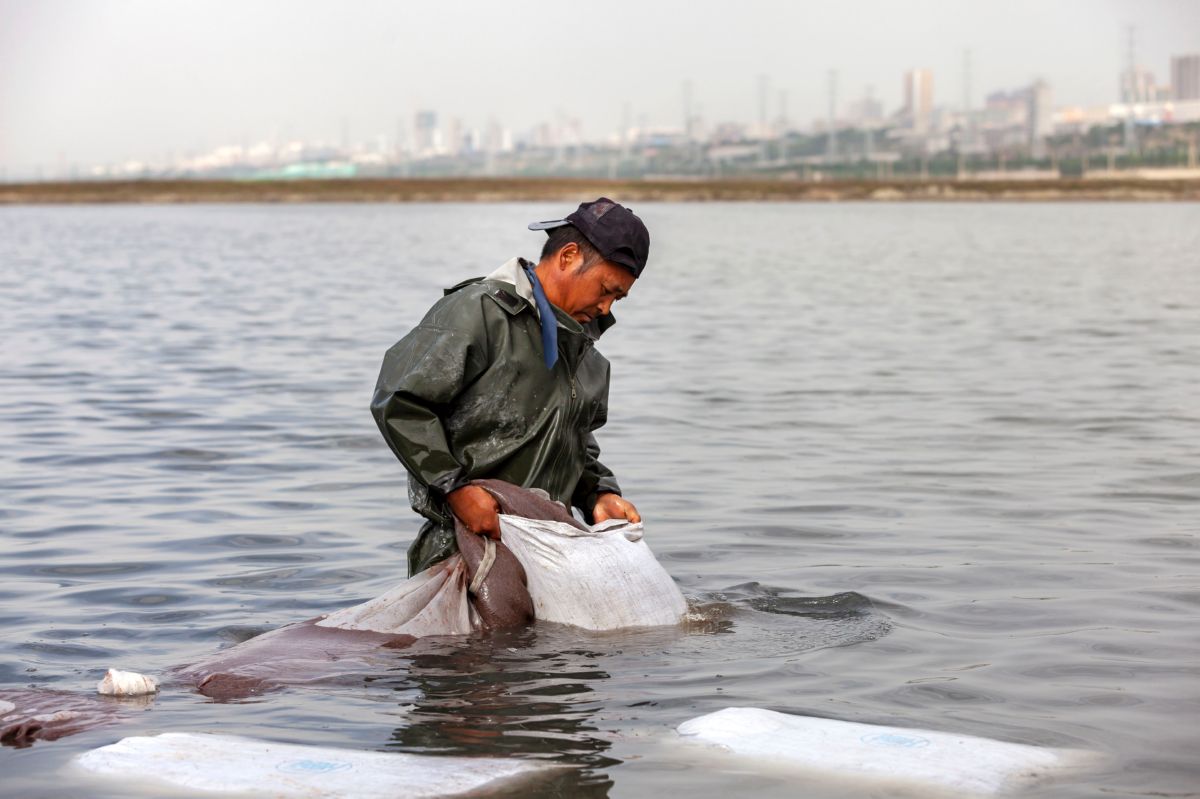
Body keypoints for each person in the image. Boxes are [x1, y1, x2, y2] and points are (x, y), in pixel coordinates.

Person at [371, 198, 650, 576]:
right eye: (605, 289)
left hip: (549, 559)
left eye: (618, 298)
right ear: (567, 257)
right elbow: (401, 403)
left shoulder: (588, 358)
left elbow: (573, 444)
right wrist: (456, 490)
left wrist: (599, 494)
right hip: (461, 552)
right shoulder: (478, 313)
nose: (606, 308)